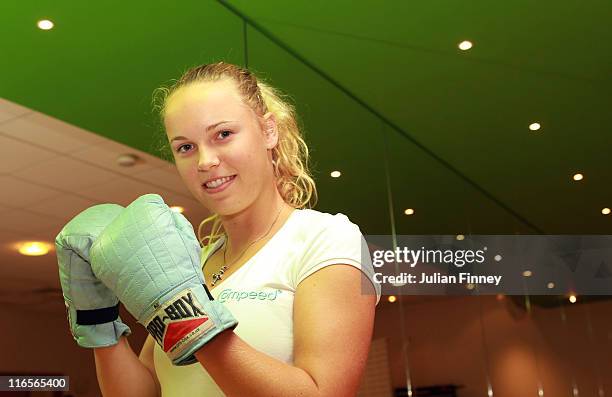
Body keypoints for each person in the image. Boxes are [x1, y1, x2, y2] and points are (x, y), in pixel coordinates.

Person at [76, 62, 380, 396]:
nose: (205, 161)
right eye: (185, 147)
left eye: (223, 134)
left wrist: (193, 325)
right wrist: (99, 321)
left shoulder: (325, 238)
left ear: (268, 131)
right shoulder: (193, 262)